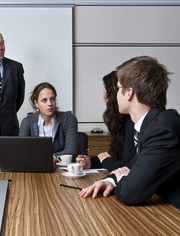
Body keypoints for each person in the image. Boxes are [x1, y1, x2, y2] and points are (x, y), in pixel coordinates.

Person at [79, 56, 180, 208]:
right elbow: (133, 165)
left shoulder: (162, 129)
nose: (115, 95)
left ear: (129, 93)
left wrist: (122, 178)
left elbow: (130, 193)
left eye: (118, 89)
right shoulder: (151, 124)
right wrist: (109, 180)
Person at [76, 71, 136, 170]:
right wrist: (90, 161)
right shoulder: (120, 121)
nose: (103, 97)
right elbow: (114, 157)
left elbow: (126, 165)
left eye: (105, 92)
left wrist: (106, 161)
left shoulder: (132, 121)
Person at [19, 82, 78, 157]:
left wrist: (45, 158)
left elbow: (70, 151)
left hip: (61, 166)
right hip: (34, 167)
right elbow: (22, 151)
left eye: (52, 99)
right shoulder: (27, 122)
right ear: (36, 103)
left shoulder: (68, 119)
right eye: (44, 100)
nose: (50, 103)